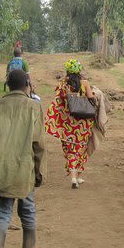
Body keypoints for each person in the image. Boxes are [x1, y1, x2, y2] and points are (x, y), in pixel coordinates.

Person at [0, 69, 45, 248]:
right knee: (28, 214)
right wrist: (39, 172)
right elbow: (39, 145)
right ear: (26, 85)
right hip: (25, 170)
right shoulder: (34, 107)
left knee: (1, 215)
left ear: (8, 85)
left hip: (1, 169)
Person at [45, 59, 96, 189]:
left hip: (68, 124)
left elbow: (59, 101)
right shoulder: (84, 82)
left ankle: (75, 177)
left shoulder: (63, 84)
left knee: (71, 150)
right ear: (79, 70)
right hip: (83, 124)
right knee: (80, 149)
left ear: (67, 70)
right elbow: (91, 98)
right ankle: (77, 176)